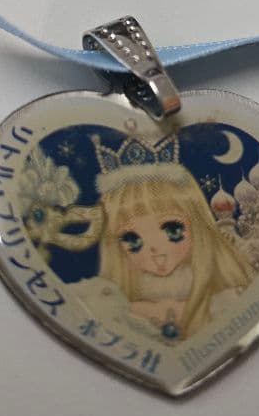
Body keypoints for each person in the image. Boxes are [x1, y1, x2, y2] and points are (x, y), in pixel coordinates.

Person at [92, 135, 250, 340]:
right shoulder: (112, 307)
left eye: (172, 230)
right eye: (132, 240)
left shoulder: (228, 301)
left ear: (198, 227)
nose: (154, 249)